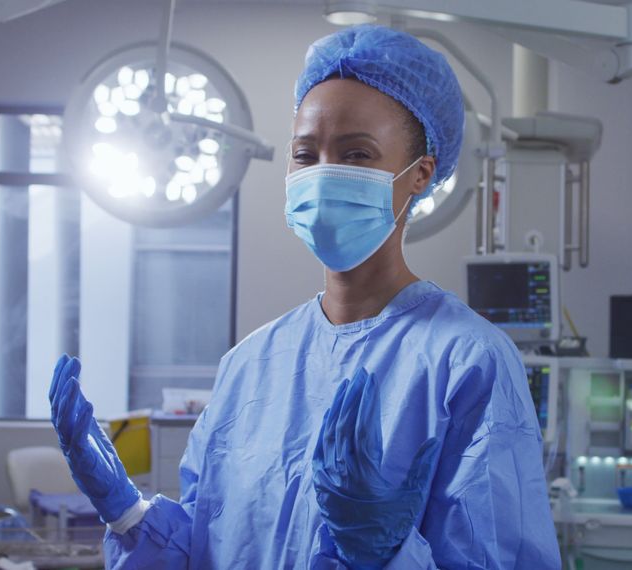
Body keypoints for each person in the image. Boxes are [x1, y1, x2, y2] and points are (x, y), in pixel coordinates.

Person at [49, 24, 561, 569]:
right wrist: (128, 515)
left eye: (357, 154)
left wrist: (383, 551)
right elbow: (209, 547)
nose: (324, 174)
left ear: (420, 175)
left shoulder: (468, 362)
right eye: (304, 153)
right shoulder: (250, 364)